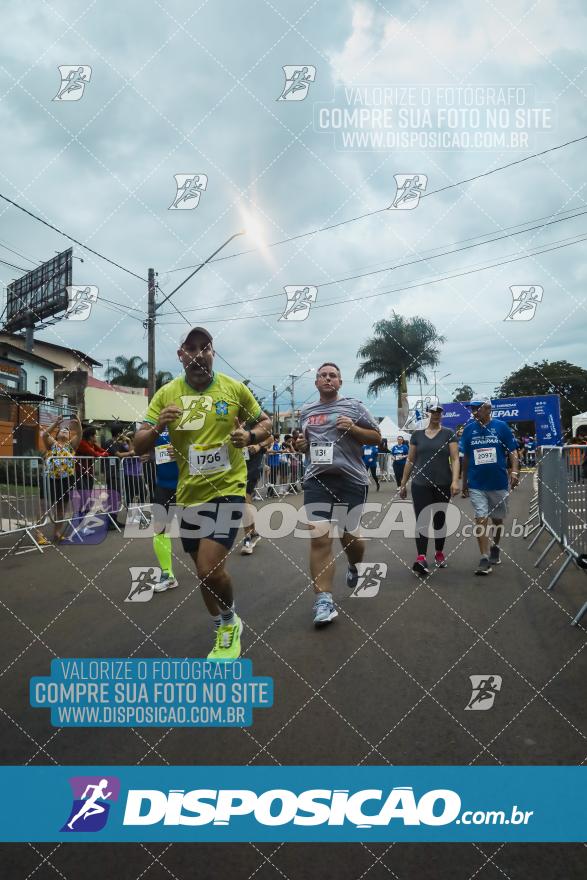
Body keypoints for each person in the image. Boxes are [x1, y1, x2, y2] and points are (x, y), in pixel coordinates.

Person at [133, 326, 272, 661]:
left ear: (213, 353)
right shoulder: (167, 393)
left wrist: (250, 436)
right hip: (190, 494)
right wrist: (157, 427)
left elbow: (265, 423)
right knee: (203, 572)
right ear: (182, 355)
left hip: (228, 488)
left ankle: (227, 627)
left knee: (209, 568)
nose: (198, 354)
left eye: (204, 347)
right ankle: (226, 622)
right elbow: (138, 445)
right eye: (191, 348)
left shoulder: (233, 389)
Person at [295, 362, 381, 626]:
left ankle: (355, 565)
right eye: (322, 375)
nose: (327, 379)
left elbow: (376, 437)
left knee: (349, 537)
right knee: (320, 537)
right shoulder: (306, 412)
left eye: (333, 375)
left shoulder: (354, 407)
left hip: (351, 480)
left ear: (340, 382)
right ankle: (324, 600)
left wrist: (353, 428)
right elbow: (306, 444)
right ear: (316, 383)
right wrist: (303, 445)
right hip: (317, 479)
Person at [460, 398, 519, 576]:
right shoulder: (469, 429)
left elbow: (512, 451)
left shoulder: (501, 427)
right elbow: (466, 458)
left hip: (498, 482)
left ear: (488, 408)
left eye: (477, 408)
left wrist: (514, 472)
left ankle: (496, 546)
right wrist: (464, 482)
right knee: (481, 517)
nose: (474, 411)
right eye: (472, 408)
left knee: (497, 520)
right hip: (477, 483)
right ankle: (484, 557)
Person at [399, 405, 460, 575]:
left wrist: (455, 481)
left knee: (439, 519)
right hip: (420, 484)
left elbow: (455, 459)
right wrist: (403, 484)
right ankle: (421, 557)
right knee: (422, 520)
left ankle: (439, 553)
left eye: (439, 413)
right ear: (428, 414)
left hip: (443, 483)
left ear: (442, 415)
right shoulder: (417, 435)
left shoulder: (448, 433)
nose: (436, 415)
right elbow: (410, 461)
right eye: (433, 412)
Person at [41, 414, 82, 542]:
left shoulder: (71, 446)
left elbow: (80, 434)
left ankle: (57, 532)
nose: (65, 431)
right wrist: (56, 423)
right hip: (49, 478)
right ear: (57, 434)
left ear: (70, 436)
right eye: (62, 430)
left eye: (67, 431)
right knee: (44, 506)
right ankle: (38, 534)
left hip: (66, 479)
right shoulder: (52, 444)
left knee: (62, 507)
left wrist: (78, 423)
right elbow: (44, 435)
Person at [151, 429, 179, 593]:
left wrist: (183, 452)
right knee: (160, 528)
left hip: (189, 483)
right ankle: (168, 574)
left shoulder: (192, 419)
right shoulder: (156, 424)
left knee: (197, 530)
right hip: (164, 485)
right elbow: (145, 444)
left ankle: (210, 570)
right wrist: (147, 453)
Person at [241, 432, 274, 555]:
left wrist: (259, 446)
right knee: (245, 501)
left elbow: (270, 437)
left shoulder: (253, 417)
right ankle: (253, 531)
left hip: (252, 463)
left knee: (244, 499)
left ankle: (247, 538)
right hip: (234, 462)